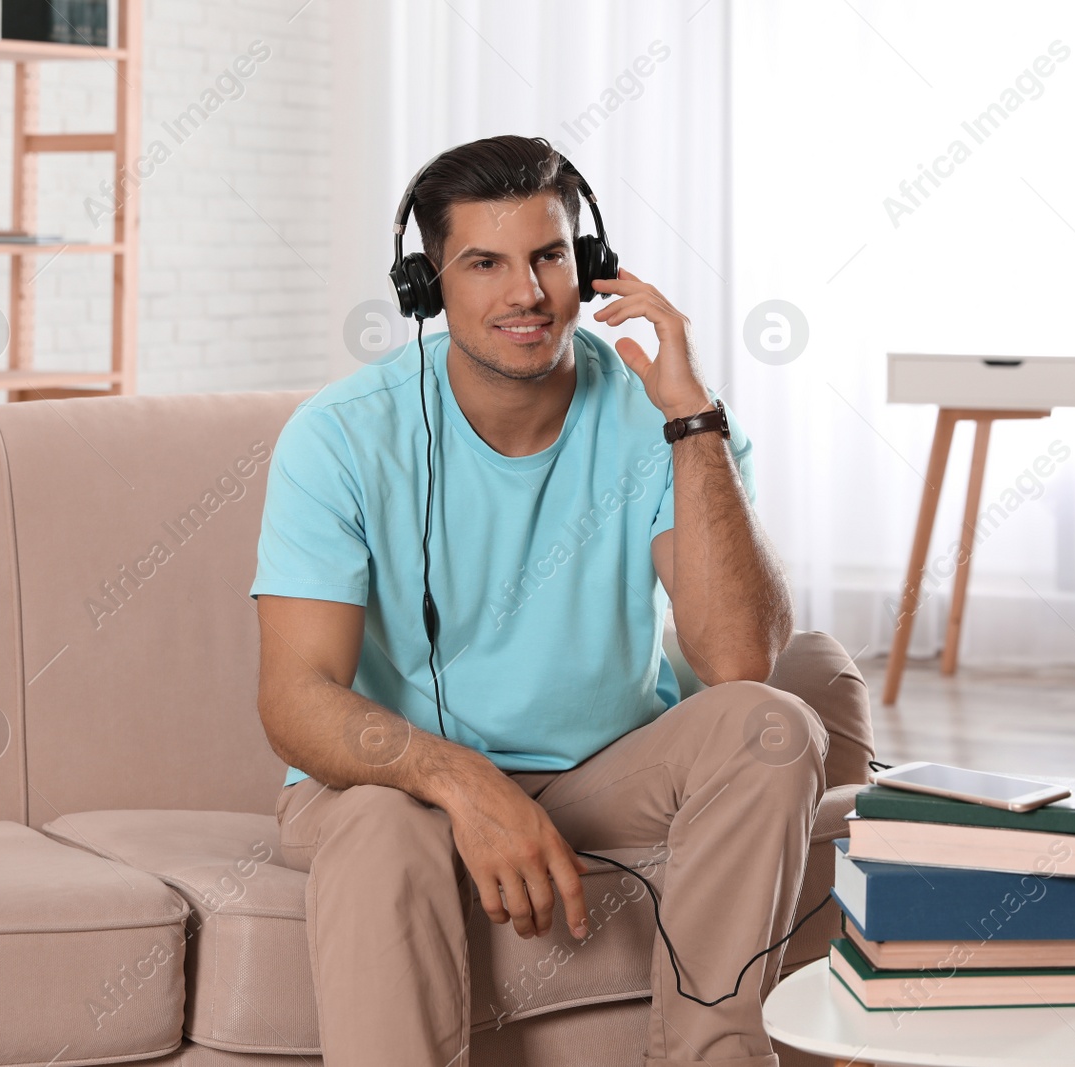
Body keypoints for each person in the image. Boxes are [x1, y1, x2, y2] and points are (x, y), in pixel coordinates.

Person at [251, 134, 874, 1067]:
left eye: (548, 257)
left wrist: (690, 416)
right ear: (428, 285)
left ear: (588, 265)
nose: (527, 294)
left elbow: (736, 660)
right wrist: (466, 781)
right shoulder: (340, 437)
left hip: (601, 776)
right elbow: (296, 695)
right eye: (484, 263)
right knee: (385, 825)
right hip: (394, 788)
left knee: (770, 722)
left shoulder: (668, 418)